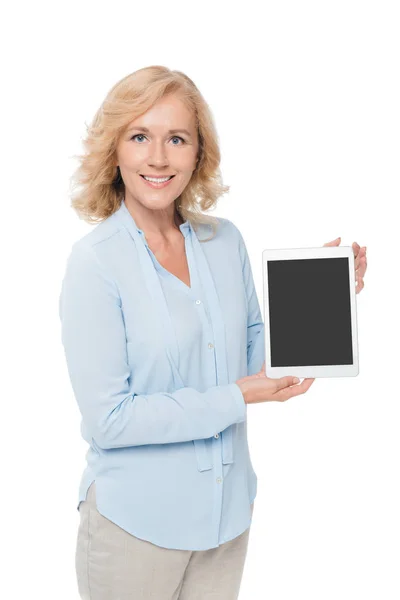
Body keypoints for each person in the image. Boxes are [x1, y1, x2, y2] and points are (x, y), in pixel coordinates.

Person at [59, 65, 368, 600]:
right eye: (140, 137)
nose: (158, 158)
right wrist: (232, 398)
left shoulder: (223, 242)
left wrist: (322, 298)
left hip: (226, 521)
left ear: (199, 152)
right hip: (136, 529)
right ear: (115, 151)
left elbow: (257, 364)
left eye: (176, 138)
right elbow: (109, 420)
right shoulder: (95, 264)